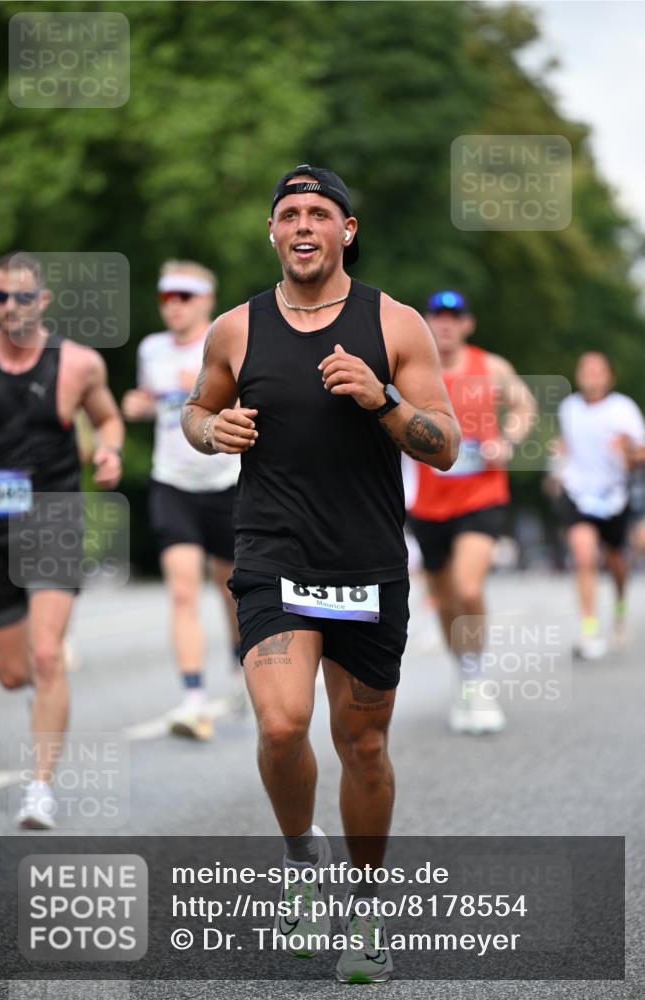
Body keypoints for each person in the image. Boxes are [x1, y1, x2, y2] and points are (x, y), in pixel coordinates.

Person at [181, 165, 460, 983]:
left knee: (362, 743)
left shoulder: (395, 324)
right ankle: (304, 862)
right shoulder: (235, 329)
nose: (303, 225)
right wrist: (211, 429)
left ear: (348, 230)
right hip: (273, 551)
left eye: (320, 213)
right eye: (289, 213)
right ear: (271, 231)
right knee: (278, 724)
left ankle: (366, 904)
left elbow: (443, 446)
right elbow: (196, 411)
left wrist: (380, 399)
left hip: (368, 559)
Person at [0, 251, 124, 829]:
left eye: (21, 296)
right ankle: (49, 653)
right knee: (14, 673)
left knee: (43, 656)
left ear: (42, 301)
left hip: (53, 513)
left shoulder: (78, 365)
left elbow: (108, 419)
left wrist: (110, 450)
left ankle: (39, 789)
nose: (10, 306)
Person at [122, 261, 243, 740]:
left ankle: (240, 672)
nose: (174, 305)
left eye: (184, 296)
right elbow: (153, 399)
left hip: (227, 483)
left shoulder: (228, 342)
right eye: (166, 297)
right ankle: (193, 699)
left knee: (233, 592)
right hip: (172, 481)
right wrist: (141, 405)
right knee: (182, 590)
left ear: (206, 301)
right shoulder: (151, 349)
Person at [408, 290, 537, 735]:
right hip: (427, 502)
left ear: (467, 324)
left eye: (453, 317)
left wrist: (508, 438)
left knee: (467, 586)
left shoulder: (492, 366)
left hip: (482, 494)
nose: (445, 324)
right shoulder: (413, 368)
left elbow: (525, 406)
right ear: (427, 322)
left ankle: (478, 679)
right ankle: (465, 673)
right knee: (444, 600)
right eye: (437, 316)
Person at [555, 351, 645, 658]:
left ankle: (620, 604)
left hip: (613, 497)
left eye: (598, 370)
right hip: (579, 493)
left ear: (609, 377)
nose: (591, 375)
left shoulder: (623, 409)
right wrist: (557, 464)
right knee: (584, 554)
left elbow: (640, 454)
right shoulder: (569, 408)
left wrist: (629, 451)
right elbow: (566, 448)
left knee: (617, 561)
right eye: (586, 369)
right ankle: (589, 629)